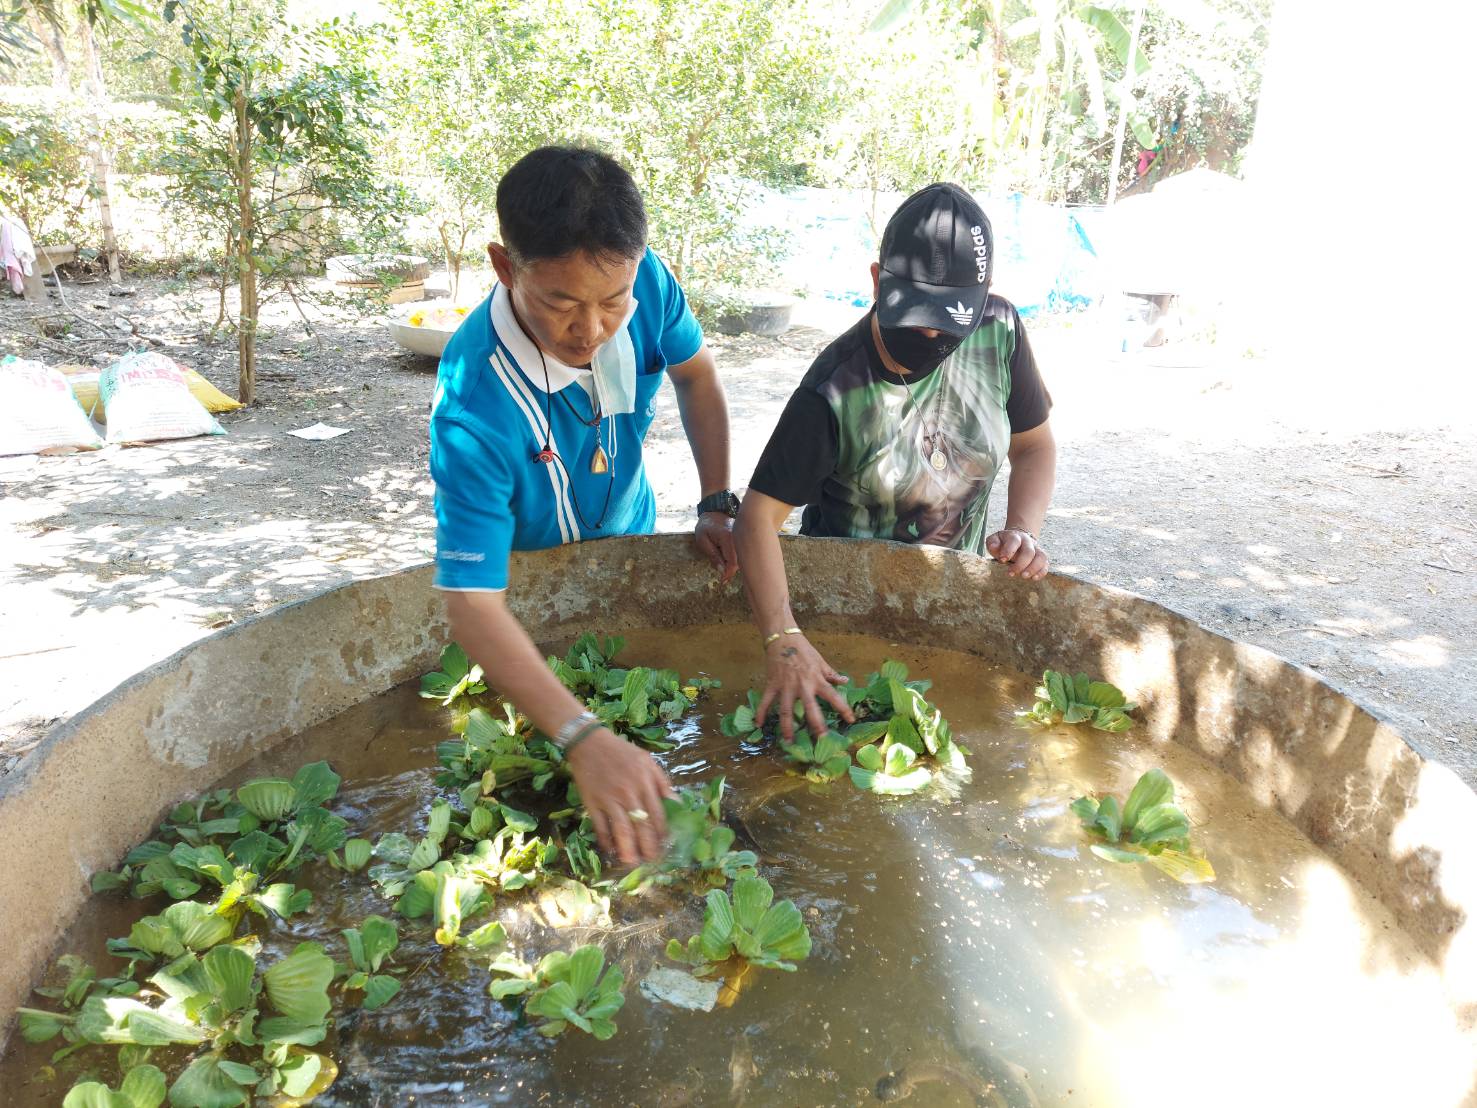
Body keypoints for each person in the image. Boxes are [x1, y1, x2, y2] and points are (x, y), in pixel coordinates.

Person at [430, 146, 742, 865]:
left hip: (628, 536)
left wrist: (716, 502)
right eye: (561, 304)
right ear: (505, 267)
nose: (592, 329)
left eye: (612, 302)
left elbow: (698, 378)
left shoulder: (646, 283)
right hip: (527, 603)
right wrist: (579, 736)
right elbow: (472, 606)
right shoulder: (473, 406)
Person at [733, 183, 1057, 738]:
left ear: (981, 298)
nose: (930, 334)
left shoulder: (998, 330)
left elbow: (1035, 446)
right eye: (916, 314)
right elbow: (756, 520)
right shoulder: (835, 390)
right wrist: (783, 638)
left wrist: (1023, 529)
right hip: (841, 618)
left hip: (952, 605)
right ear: (877, 282)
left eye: (949, 322)